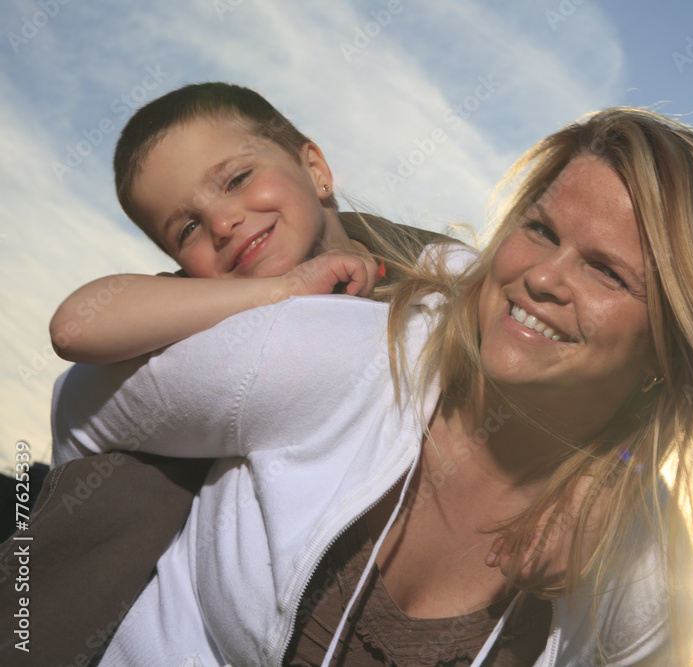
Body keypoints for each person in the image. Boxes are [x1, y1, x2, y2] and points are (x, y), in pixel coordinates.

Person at [43, 106, 693, 666]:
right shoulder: (328, 344)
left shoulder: (647, 571)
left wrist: (610, 461)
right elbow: (88, 401)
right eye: (538, 230)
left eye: (609, 272)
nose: (543, 277)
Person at [0, 83, 454, 664]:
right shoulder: (207, 303)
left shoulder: (421, 273)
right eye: (185, 229)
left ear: (314, 168)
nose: (222, 223)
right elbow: (73, 327)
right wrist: (283, 289)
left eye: (237, 179)